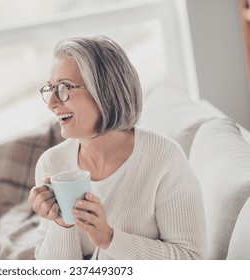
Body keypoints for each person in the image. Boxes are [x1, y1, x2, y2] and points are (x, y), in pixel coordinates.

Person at [28, 35, 206, 260]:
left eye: (63, 88)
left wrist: (109, 239)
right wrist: (61, 225)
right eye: (50, 89)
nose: (52, 103)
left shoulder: (163, 158)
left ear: (104, 90)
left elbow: (191, 259)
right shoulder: (51, 164)